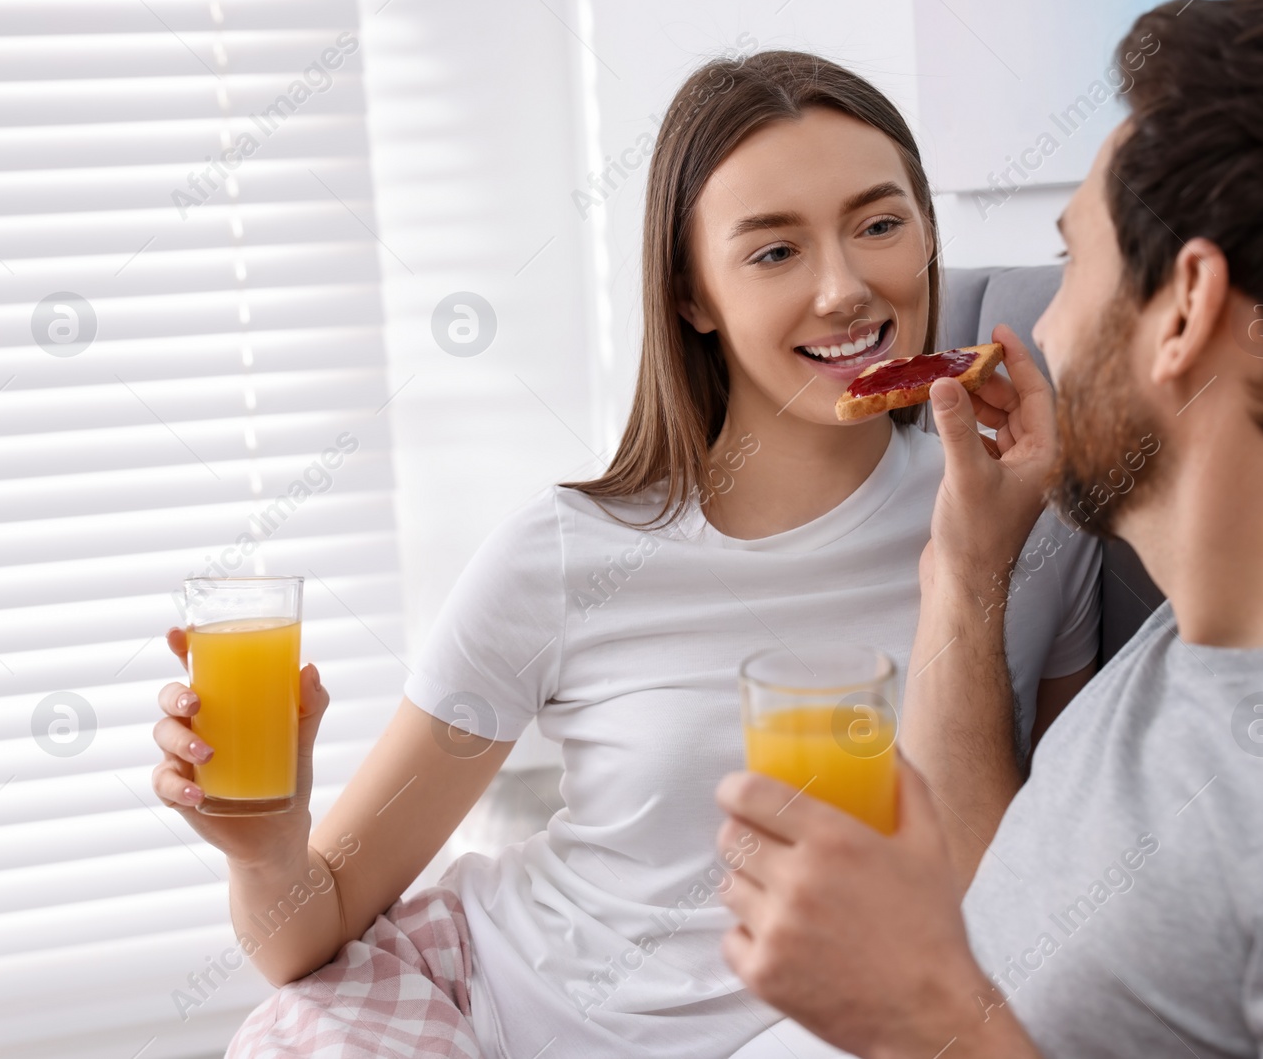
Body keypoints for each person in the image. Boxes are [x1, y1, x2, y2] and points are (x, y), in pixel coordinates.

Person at [149, 51, 1102, 1058]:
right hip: (488, 1010)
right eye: (773, 252)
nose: (843, 289)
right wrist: (262, 842)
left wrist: (975, 568)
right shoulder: (562, 556)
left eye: (878, 224)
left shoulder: (1028, 511)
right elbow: (307, 928)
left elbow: (1030, 896)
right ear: (692, 295)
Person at [714, 0, 1263, 1056]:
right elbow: (1002, 930)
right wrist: (968, 570)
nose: (1032, 330)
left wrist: (917, 1016)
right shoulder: (1191, 648)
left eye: (1072, 267)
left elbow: (957, 1007)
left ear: (1187, 308)